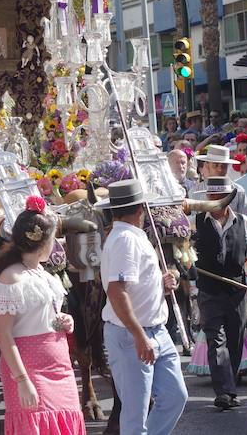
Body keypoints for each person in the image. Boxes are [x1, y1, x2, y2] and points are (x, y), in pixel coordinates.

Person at [0, 196, 85, 434]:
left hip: (59, 364)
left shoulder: (44, 274)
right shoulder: (11, 278)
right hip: (29, 369)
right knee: (36, 425)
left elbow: (44, 314)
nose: (56, 245)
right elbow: (3, 334)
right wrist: (22, 379)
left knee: (65, 423)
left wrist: (65, 321)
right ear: (41, 241)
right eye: (54, 239)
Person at [98, 180, 187, 434]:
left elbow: (130, 285)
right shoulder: (126, 239)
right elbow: (116, 291)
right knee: (136, 413)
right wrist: (139, 336)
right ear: (141, 208)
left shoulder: (131, 236)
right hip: (134, 334)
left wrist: (161, 282)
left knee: (175, 397)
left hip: (154, 330)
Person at [193, 176, 247, 409]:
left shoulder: (243, 223)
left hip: (237, 290)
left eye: (219, 197)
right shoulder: (195, 222)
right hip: (209, 291)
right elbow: (182, 248)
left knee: (235, 342)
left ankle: (229, 386)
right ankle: (224, 392)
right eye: (211, 196)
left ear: (228, 199)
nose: (214, 200)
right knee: (216, 340)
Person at [190, 145, 247, 218]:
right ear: (207, 165)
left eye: (223, 166)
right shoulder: (194, 192)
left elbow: (244, 219)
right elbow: (193, 222)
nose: (220, 169)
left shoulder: (238, 191)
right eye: (215, 165)